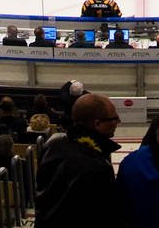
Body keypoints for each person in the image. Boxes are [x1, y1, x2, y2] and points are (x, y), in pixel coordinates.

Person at [33, 93, 127, 226]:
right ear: (97, 123)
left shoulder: (53, 144)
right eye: (114, 118)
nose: (118, 121)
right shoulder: (97, 166)